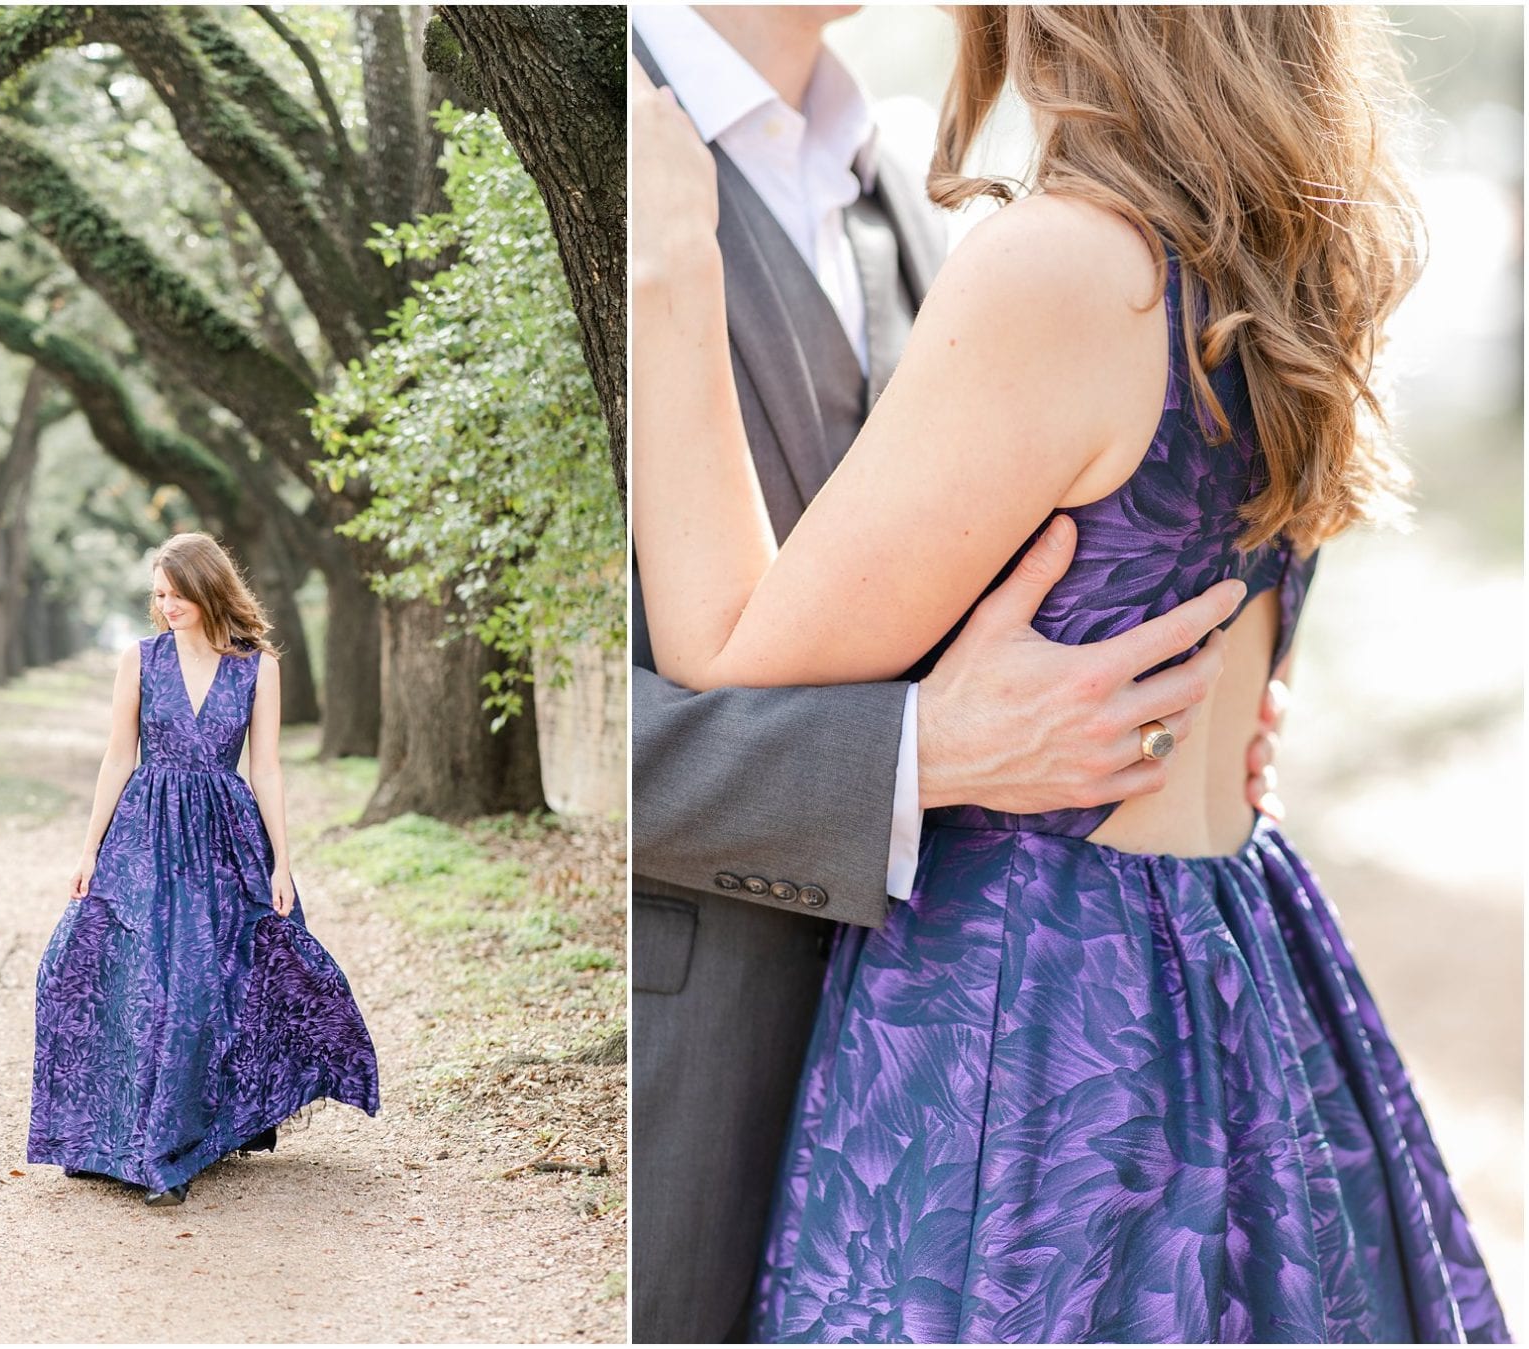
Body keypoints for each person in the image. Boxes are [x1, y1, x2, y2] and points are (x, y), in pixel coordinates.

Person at [632, 5, 1508, 1344]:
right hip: (1235, 956)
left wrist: (669, 270)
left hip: (1034, 1010)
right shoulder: (1278, 270)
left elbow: (729, 651)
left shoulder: (1059, 268)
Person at [28, 532, 379, 1207]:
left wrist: (282, 858)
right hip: (145, 835)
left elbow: (267, 767)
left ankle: (177, 1144)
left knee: (202, 991)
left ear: (208, 589)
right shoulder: (140, 659)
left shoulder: (257, 667)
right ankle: (128, 1139)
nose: (165, 606)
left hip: (223, 841)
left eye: (176, 593)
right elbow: (117, 757)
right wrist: (89, 847)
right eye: (158, 594)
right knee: (134, 981)